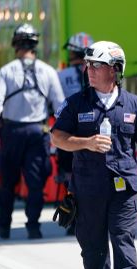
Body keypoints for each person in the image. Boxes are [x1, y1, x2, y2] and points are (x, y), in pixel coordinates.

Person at [51, 41, 137, 269]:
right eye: (88, 65)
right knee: (93, 244)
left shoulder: (134, 104)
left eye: (96, 65)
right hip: (87, 188)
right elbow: (57, 137)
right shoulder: (76, 104)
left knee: (124, 239)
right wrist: (86, 142)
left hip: (124, 187)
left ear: (115, 70)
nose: (89, 70)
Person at [0, 23, 65, 240]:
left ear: (15, 44)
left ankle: (4, 227)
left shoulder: (6, 71)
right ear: (35, 45)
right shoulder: (48, 71)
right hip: (39, 131)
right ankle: (34, 227)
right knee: (35, 182)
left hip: (12, 132)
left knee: (8, 182)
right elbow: (60, 105)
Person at [57, 32, 94, 236]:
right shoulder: (97, 72)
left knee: (69, 176)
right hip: (92, 132)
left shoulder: (61, 76)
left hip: (67, 134)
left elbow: (53, 102)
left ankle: (72, 218)